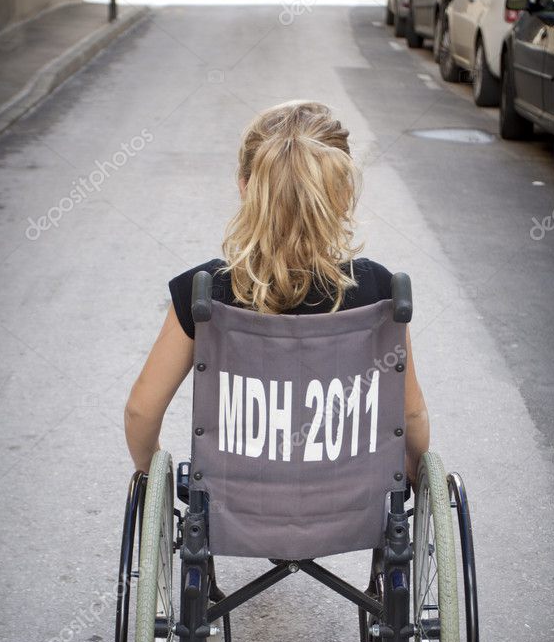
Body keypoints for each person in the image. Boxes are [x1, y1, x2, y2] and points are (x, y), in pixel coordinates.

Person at [124, 99, 429, 484]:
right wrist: (415, 471)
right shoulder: (378, 290)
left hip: (233, 501)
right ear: (343, 192)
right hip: (351, 500)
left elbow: (141, 411)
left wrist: (153, 473)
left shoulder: (203, 291)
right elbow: (412, 415)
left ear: (244, 187)